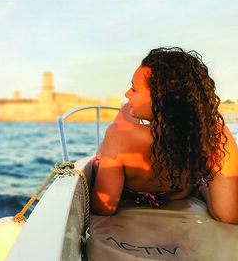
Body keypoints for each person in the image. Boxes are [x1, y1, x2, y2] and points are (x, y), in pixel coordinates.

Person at [91, 47, 238, 224]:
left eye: (134, 89)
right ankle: (201, 186)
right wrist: (204, 187)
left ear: (160, 97)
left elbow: (103, 208)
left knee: (125, 114)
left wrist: (104, 160)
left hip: (133, 205)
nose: (127, 94)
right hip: (180, 193)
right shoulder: (215, 134)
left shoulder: (120, 135)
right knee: (128, 110)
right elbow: (228, 215)